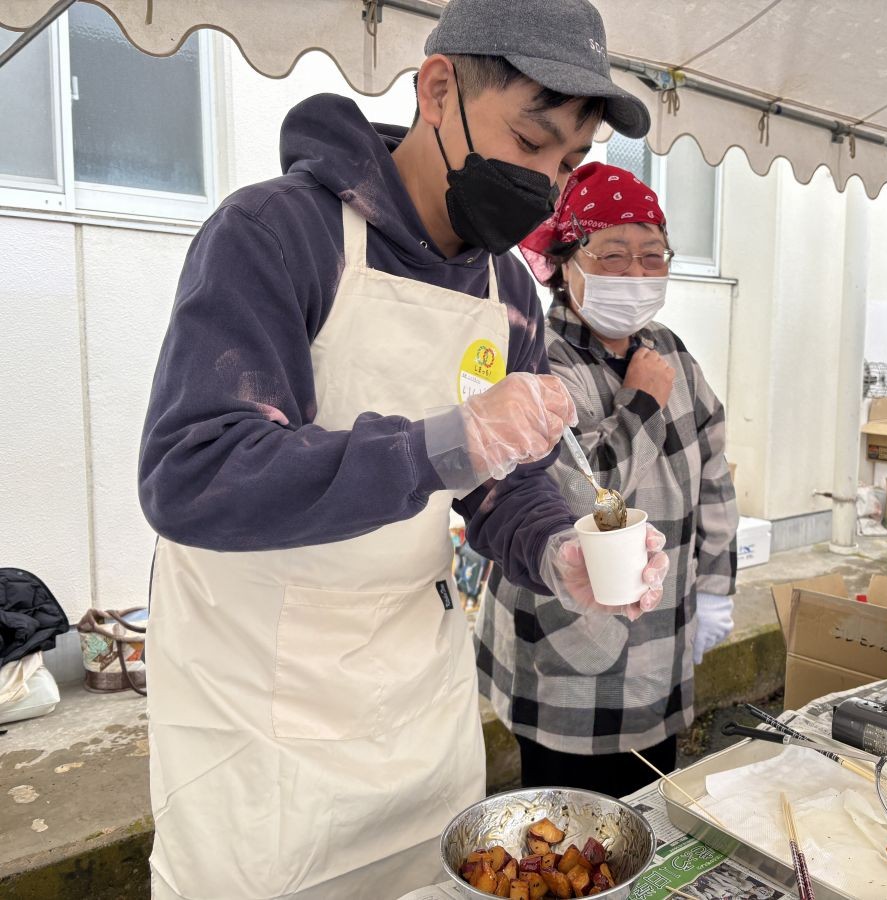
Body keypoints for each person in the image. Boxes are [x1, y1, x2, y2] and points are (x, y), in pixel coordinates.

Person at [136, 2, 669, 897]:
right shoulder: (279, 235)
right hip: (261, 720)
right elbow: (193, 471)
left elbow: (505, 487)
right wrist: (440, 445)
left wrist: (556, 548)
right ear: (437, 89)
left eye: (569, 164)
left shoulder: (508, 291)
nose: (545, 182)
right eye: (531, 141)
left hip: (415, 710)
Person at [475, 162, 739, 798]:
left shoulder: (673, 353)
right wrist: (641, 405)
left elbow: (715, 477)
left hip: (662, 639)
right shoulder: (537, 359)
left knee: (648, 813)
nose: (637, 274)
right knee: (565, 832)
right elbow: (577, 496)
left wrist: (716, 587)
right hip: (563, 651)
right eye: (613, 255)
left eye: (653, 257)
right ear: (567, 264)